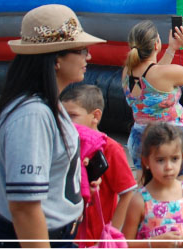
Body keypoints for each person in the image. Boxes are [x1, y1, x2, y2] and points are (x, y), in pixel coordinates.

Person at [0, 4, 105, 247]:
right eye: (81, 50)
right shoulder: (33, 115)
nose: (88, 57)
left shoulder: (47, 105)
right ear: (56, 58)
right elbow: (25, 208)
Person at [122, 21, 183, 181]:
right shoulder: (164, 73)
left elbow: (152, 73)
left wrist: (172, 49)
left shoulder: (127, 71)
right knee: (179, 190)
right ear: (156, 44)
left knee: (146, 189)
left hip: (140, 134)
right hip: (172, 137)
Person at [61, 84, 137, 245]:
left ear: (95, 116)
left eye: (72, 115)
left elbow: (127, 193)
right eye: (62, 117)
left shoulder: (110, 149)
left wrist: (110, 234)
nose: (65, 122)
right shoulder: (63, 146)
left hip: (94, 238)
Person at [121, 123, 183, 247]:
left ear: (182, 158)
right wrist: (153, 243)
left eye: (174, 159)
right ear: (146, 162)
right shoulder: (140, 201)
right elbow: (124, 244)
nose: (169, 167)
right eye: (160, 160)